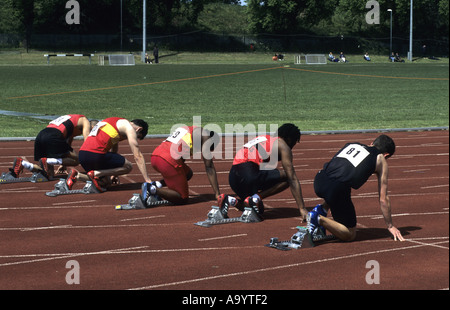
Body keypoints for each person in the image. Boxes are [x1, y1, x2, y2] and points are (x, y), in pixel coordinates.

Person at [309, 134, 405, 242]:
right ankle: (318, 218)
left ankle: (322, 209)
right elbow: (383, 199)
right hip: (335, 189)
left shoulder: (353, 144)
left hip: (320, 179)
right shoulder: (380, 159)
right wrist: (390, 226)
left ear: (372, 143)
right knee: (350, 234)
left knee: (344, 183)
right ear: (386, 155)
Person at [223, 123, 308, 221]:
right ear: (289, 139)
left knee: (256, 209)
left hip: (233, 178)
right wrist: (302, 208)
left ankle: (230, 200)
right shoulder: (283, 145)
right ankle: (255, 198)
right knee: (287, 177)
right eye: (294, 142)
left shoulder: (264, 138)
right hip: (248, 174)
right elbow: (292, 177)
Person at [65, 117, 151, 192]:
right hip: (95, 155)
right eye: (138, 136)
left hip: (83, 155)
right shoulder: (128, 127)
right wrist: (147, 180)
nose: (135, 138)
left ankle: (77, 176)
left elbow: (114, 148)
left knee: (106, 183)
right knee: (128, 166)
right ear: (139, 129)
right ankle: (96, 173)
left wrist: (115, 172)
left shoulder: (112, 122)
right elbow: (137, 155)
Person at [141, 125, 221, 205]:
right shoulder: (205, 136)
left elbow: (180, 156)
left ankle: (157, 184)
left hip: (155, 156)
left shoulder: (189, 129)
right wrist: (217, 194)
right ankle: (151, 189)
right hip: (167, 160)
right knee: (182, 198)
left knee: (188, 174)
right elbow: (209, 167)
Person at [11, 114, 95, 180]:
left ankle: (23, 163)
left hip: (41, 135)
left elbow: (68, 144)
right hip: (54, 136)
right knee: (77, 160)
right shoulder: (85, 121)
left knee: (48, 175)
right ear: (92, 127)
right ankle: (49, 161)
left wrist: (63, 162)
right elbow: (87, 141)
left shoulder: (71, 120)